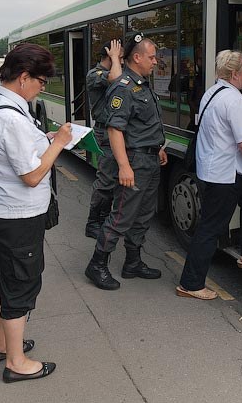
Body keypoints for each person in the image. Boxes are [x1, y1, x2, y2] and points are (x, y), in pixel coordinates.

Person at [0, 43, 73, 383]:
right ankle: (16, 362)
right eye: (41, 81)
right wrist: (58, 142)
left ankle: (2, 345)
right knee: (21, 283)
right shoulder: (9, 117)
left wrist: (42, 140)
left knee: (9, 278)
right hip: (16, 214)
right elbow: (32, 176)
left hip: (1, 208)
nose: (43, 87)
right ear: (23, 77)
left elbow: (18, 153)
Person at [177, 50, 242, 300]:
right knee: (210, 228)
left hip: (222, 170)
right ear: (235, 73)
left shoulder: (211, 93)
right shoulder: (235, 101)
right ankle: (190, 284)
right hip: (225, 174)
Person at [84, 33, 168, 290]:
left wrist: (158, 148)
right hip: (135, 162)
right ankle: (97, 264)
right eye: (152, 57)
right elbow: (115, 129)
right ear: (137, 57)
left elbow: (141, 124)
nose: (156, 61)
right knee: (122, 215)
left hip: (149, 159)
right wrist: (123, 166)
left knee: (143, 215)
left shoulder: (141, 84)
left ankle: (133, 262)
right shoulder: (123, 86)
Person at [84, 39, 123, 239]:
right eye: (119, 55)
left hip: (117, 133)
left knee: (115, 181)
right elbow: (114, 77)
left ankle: (105, 219)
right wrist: (115, 58)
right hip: (104, 133)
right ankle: (93, 222)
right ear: (110, 55)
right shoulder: (95, 74)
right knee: (105, 180)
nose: (121, 60)